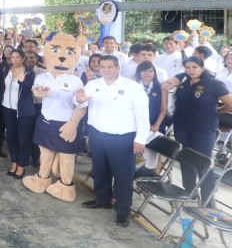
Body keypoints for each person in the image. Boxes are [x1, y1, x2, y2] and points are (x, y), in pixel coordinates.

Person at [77, 56, 149, 227]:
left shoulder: (132, 87)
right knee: (100, 170)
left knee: (123, 176)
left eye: (110, 66)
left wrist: (141, 139)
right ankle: (102, 199)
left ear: (118, 68)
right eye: (103, 67)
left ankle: (123, 210)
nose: (106, 70)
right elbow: (80, 104)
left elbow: (142, 114)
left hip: (122, 138)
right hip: (98, 134)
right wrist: (79, 100)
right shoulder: (93, 85)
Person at [161, 56, 232, 204]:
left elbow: (230, 103)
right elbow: (172, 80)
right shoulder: (183, 79)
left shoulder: (213, 83)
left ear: (202, 68)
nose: (191, 70)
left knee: (203, 162)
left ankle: (208, 198)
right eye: (188, 67)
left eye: (195, 67)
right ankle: (189, 191)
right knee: (185, 159)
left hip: (203, 129)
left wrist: (217, 111)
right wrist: (169, 83)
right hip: (181, 126)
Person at [1, 49, 36, 179]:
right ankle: (14, 162)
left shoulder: (29, 72)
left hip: (23, 111)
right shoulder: (7, 70)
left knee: (23, 140)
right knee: (11, 138)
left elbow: (29, 90)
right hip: (7, 108)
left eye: (17, 57)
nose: (14, 60)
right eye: (12, 57)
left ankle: (22, 166)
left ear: (22, 59)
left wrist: (22, 80)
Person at [133, 61, 168, 179]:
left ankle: (154, 178)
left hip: (156, 124)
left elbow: (163, 109)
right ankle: (136, 174)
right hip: (135, 124)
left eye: (150, 71)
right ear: (139, 72)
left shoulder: (161, 87)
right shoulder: (133, 86)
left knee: (155, 153)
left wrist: (156, 125)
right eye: (144, 71)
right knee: (135, 150)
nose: (147, 74)